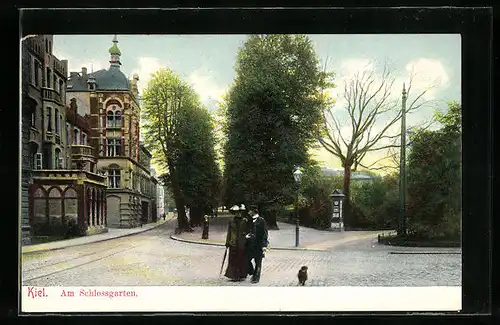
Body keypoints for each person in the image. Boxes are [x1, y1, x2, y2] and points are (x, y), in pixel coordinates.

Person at [224, 205, 249, 281]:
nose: (238, 214)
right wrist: (227, 242)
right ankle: (233, 275)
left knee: (241, 259)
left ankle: (241, 275)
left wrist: (247, 240)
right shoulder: (231, 221)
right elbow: (229, 232)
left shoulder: (245, 221)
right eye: (237, 212)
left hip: (242, 243)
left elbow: (248, 231)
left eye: (240, 212)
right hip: (233, 243)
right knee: (232, 259)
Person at [245, 205, 268, 284]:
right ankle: (251, 271)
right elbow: (247, 230)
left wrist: (264, 246)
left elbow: (265, 234)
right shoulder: (249, 220)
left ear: (253, 211)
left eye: (249, 211)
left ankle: (256, 278)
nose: (248, 212)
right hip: (250, 245)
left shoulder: (262, 221)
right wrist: (246, 236)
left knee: (258, 263)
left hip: (258, 245)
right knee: (246, 260)